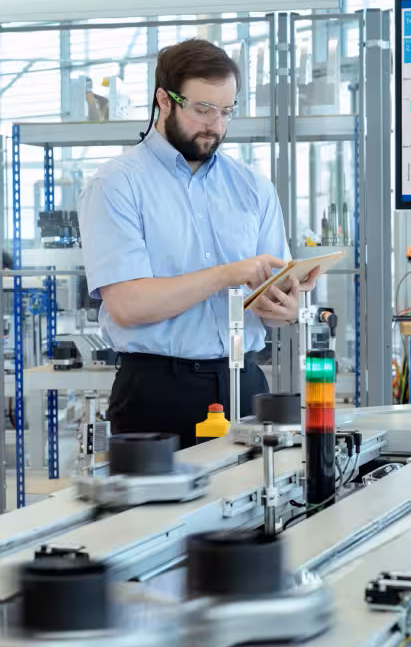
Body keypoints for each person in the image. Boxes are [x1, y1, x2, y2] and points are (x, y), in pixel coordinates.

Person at [79, 38, 320, 447]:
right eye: (203, 109)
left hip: (245, 384)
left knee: (259, 488)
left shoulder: (253, 187)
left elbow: (271, 309)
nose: (216, 126)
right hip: (158, 394)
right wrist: (227, 274)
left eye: (226, 111)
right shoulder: (117, 184)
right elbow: (128, 305)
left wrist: (287, 307)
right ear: (165, 100)